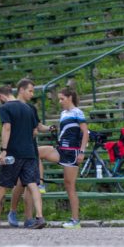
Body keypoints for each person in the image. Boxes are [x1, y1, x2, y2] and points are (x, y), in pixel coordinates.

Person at [0, 84, 46, 229]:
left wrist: (3, 150)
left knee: (2, 187)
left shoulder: (5, 108)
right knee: (33, 185)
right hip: (30, 152)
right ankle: (40, 217)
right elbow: (35, 131)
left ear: (1, 96)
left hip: (13, 153)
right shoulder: (28, 108)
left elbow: (7, 127)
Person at [37, 87, 88, 229]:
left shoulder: (77, 112)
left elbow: (85, 133)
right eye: (59, 99)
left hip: (72, 153)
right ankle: (40, 184)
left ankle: (75, 221)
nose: (60, 101)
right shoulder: (63, 113)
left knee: (69, 186)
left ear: (70, 97)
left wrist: (82, 152)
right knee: (36, 153)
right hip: (61, 150)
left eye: (62, 99)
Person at [5, 78, 52, 226]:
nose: (32, 94)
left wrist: (50, 128)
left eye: (33, 91)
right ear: (21, 90)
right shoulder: (10, 107)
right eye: (30, 91)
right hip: (16, 150)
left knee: (29, 184)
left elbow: (37, 126)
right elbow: (8, 129)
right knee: (20, 184)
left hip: (30, 150)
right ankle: (13, 211)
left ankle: (30, 218)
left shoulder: (31, 108)